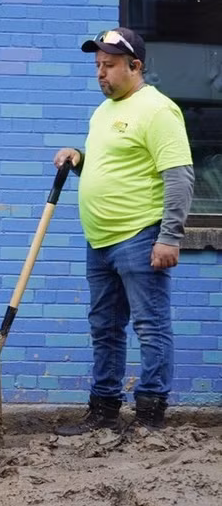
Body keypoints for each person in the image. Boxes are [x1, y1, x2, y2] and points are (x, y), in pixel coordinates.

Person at [53, 28, 194, 435]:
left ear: (136, 66)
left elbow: (180, 177)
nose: (101, 73)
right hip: (99, 240)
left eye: (109, 66)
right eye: (97, 66)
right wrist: (78, 158)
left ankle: (149, 416)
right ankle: (103, 413)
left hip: (140, 236)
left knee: (150, 326)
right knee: (105, 329)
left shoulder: (158, 110)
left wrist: (170, 236)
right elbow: (109, 164)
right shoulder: (103, 112)